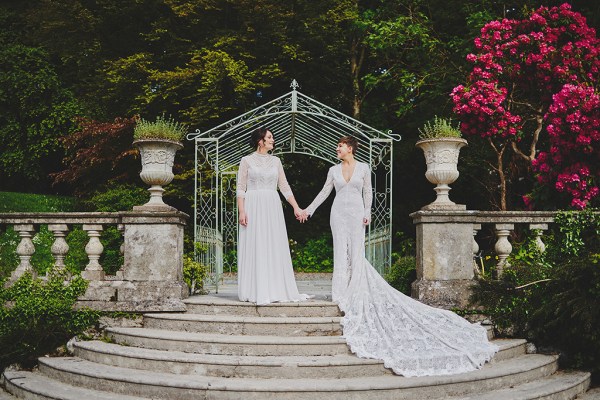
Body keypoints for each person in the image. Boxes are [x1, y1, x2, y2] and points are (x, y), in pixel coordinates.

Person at [299, 136, 498, 377]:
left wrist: (367, 212)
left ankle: (355, 291)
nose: (337, 148)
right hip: (338, 214)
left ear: (349, 148)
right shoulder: (333, 170)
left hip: (356, 215)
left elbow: (368, 192)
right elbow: (324, 193)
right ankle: (340, 294)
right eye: (337, 146)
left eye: (339, 145)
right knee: (341, 253)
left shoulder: (363, 168)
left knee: (357, 253)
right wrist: (308, 210)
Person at [236, 127, 310, 305]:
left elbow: (284, 187)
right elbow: (240, 188)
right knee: (256, 244)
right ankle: (255, 289)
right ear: (260, 141)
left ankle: (274, 288)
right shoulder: (246, 161)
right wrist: (242, 211)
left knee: (272, 243)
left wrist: (296, 207)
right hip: (253, 205)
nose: (272, 140)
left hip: (272, 205)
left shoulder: (276, 161)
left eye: (272, 137)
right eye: (269, 137)